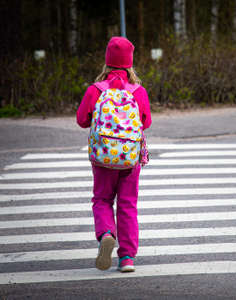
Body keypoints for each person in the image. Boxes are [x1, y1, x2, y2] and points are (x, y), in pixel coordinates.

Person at [76, 37, 152, 272]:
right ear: (130, 64)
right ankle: (127, 258)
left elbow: (82, 120)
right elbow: (146, 122)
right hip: (129, 159)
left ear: (107, 63)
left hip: (103, 159)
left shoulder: (95, 90)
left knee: (102, 199)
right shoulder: (138, 91)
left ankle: (107, 233)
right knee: (128, 205)